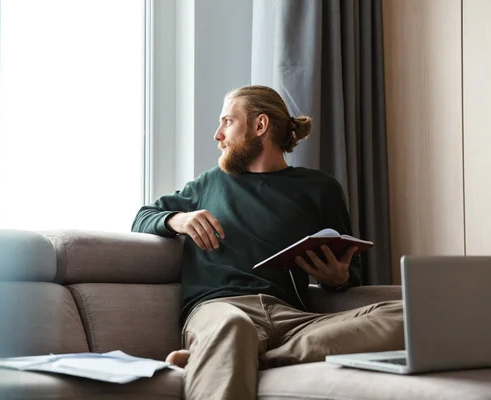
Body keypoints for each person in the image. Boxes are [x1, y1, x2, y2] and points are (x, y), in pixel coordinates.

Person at [131, 85, 403, 400]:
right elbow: (142, 216)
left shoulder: (320, 189)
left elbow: (351, 270)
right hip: (221, 310)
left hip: (291, 318)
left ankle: (233, 358)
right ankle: (226, 351)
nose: (218, 134)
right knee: (235, 328)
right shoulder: (208, 185)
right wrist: (177, 219)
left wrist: (338, 278)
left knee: (406, 317)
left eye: (227, 122)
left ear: (260, 126)